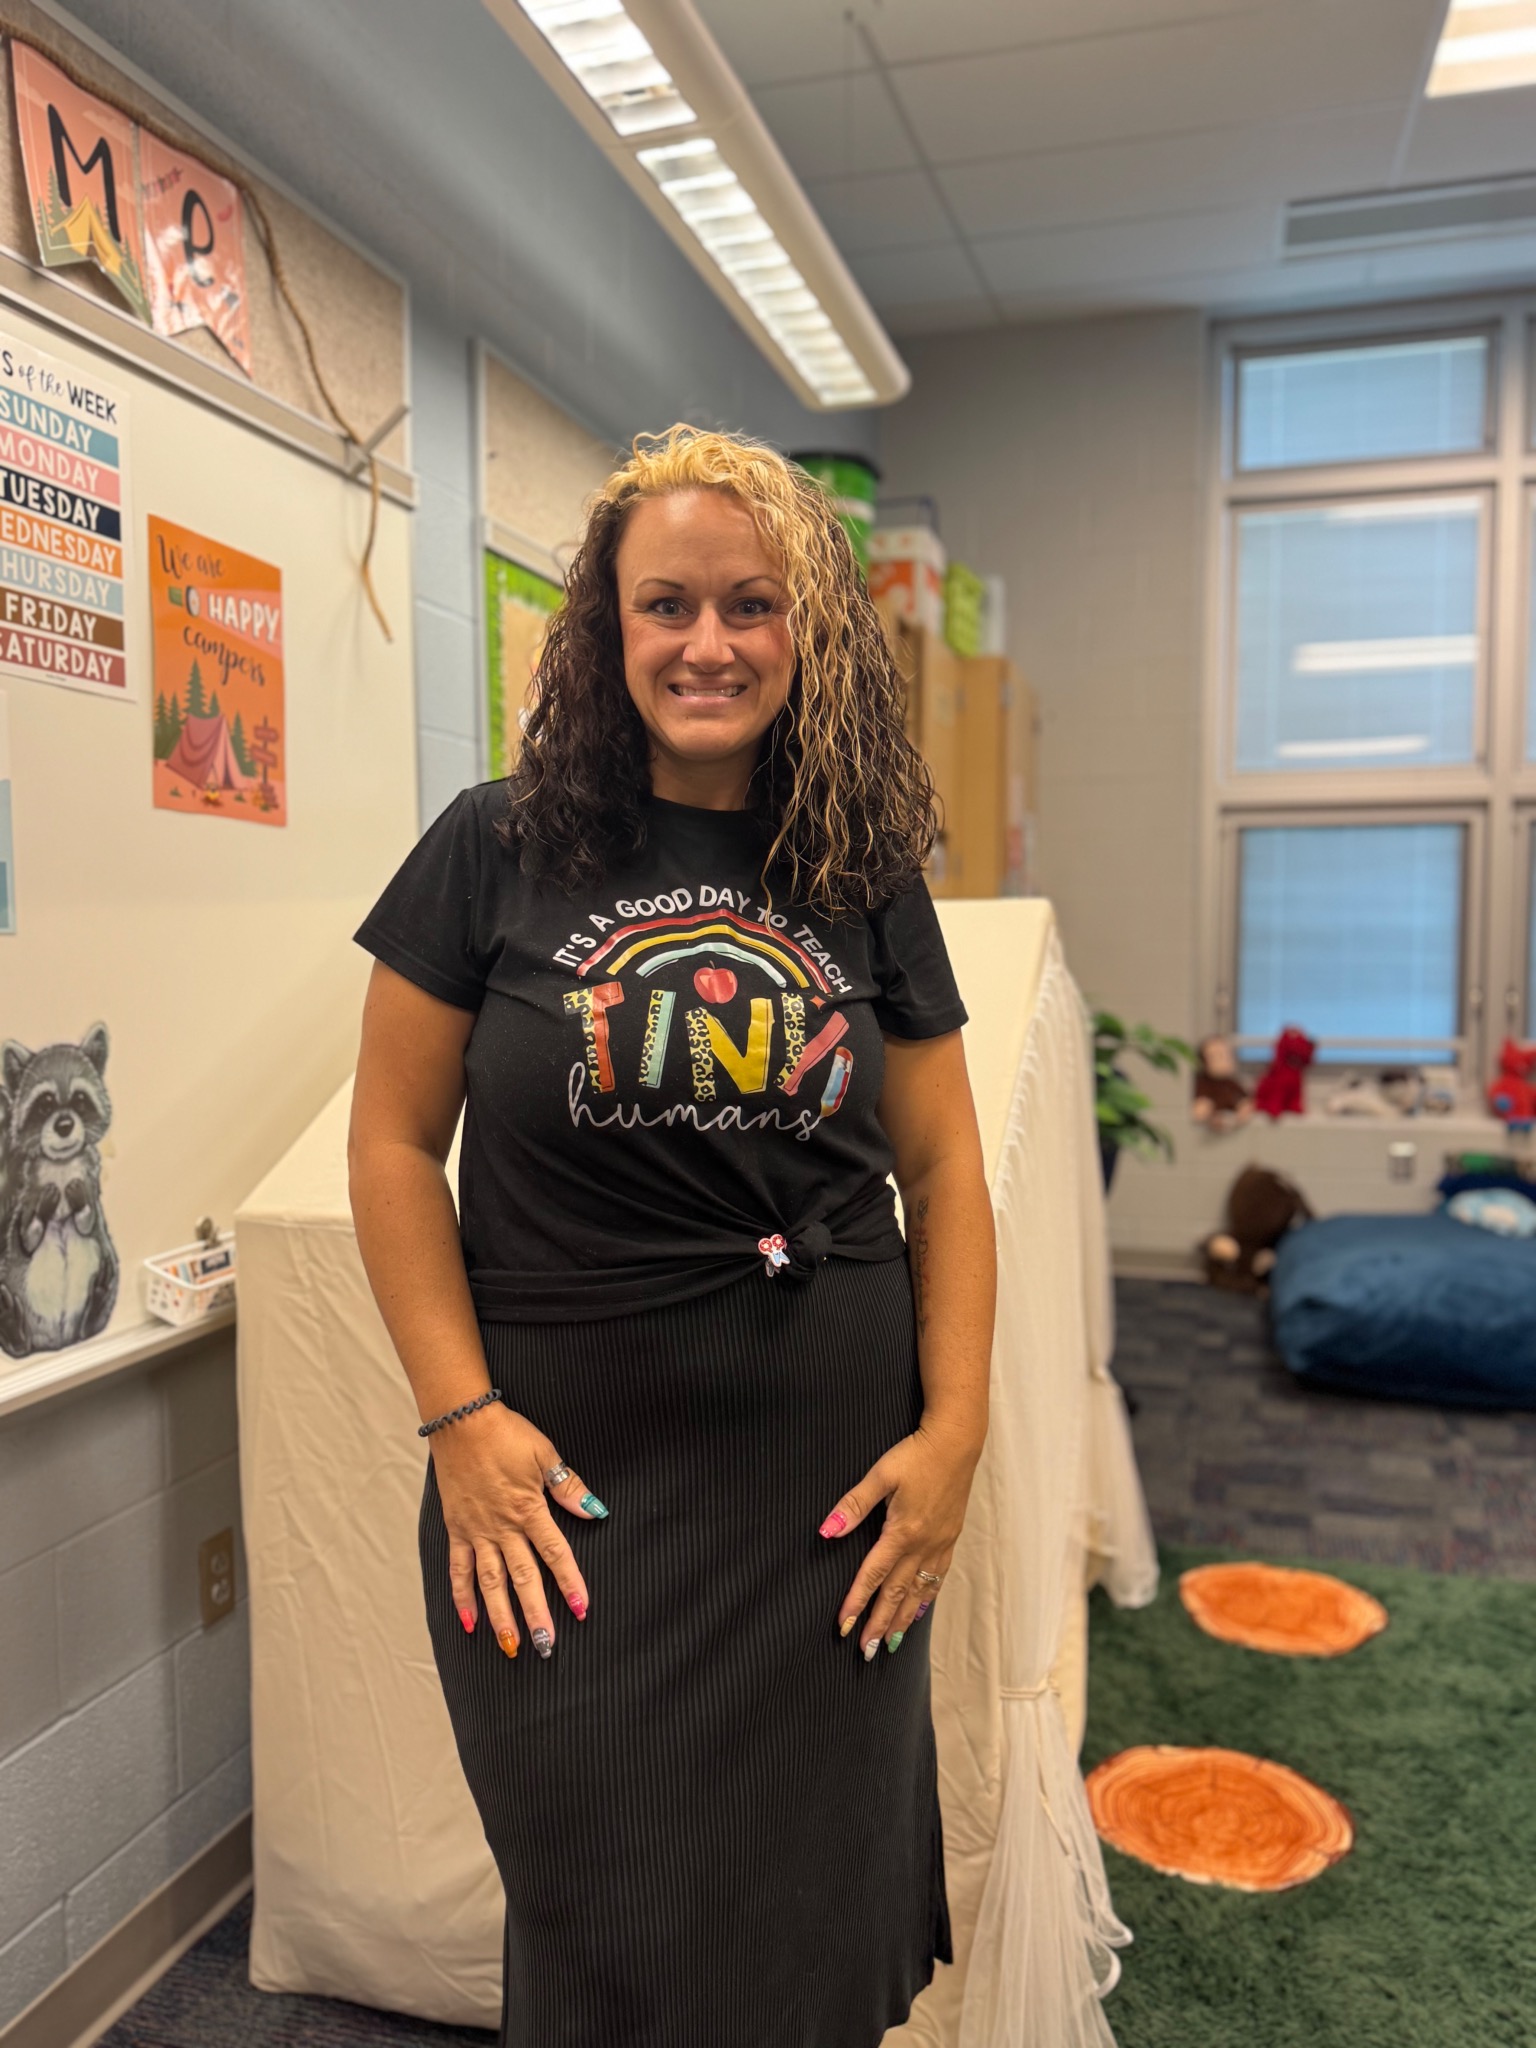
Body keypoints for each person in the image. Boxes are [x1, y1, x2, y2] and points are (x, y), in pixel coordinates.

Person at [347, 425, 996, 2048]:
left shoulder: (857, 864)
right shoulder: (490, 846)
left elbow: (944, 1168)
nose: (709, 644)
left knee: (800, 1900)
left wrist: (957, 1436)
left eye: (751, 605)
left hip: (825, 1484)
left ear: (807, 630)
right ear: (609, 626)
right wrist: (458, 1419)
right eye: (668, 605)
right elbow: (391, 1148)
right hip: (560, 1482)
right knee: (603, 1899)